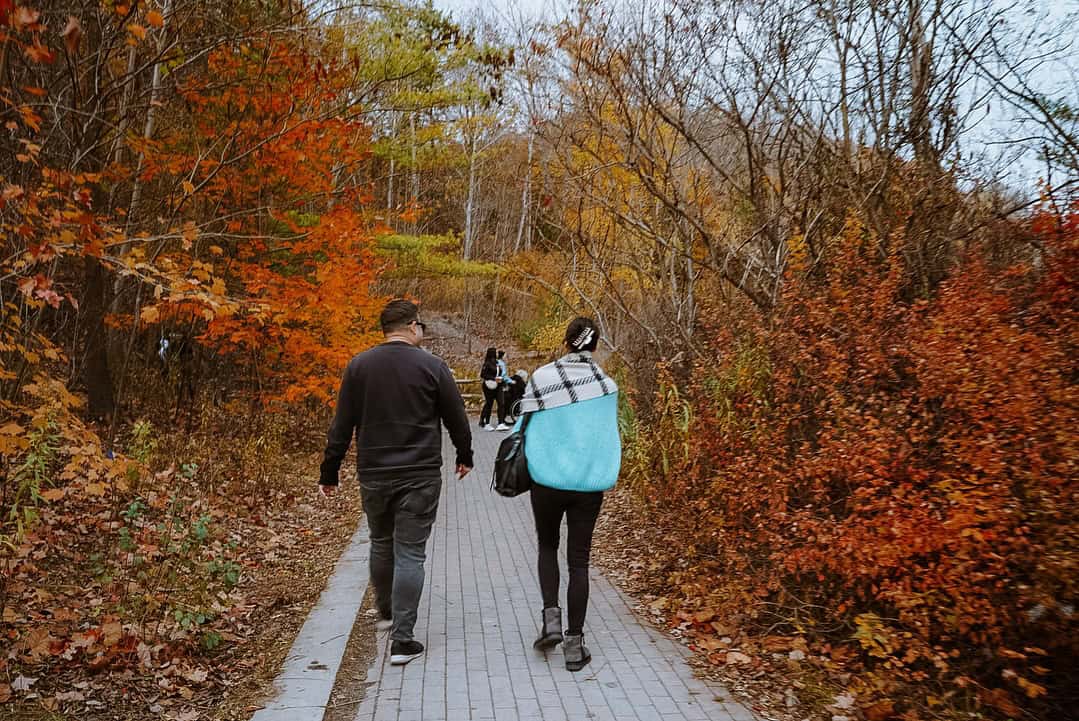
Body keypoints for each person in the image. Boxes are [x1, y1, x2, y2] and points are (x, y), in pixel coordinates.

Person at [319, 299, 473, 666]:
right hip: (419, 475)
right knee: (410, 552)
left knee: (381, 542)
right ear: (413, 326)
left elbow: (342, 424)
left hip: (374, 474)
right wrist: (465, 455)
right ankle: (403, 641)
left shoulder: (359, 367)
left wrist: (330, 471)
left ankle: (386, 612)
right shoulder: (433, 367)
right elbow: (457, 417)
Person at [514, 317, 620, 671]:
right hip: (587, 486)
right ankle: (575, 645)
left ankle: (551, 622)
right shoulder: (607, 386)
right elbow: (606, 436)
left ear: (566, 342)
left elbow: (521, 426)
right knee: (579, 561)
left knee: (547, 546)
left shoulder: (541, 378)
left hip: (546, 482)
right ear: (595, 345)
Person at [478, 347, 503, 431]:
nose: (496, 354)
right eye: (494, 352)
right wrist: (493, 378)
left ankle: (501, 423)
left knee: (501, 402)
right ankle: (486, 422)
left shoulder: (497, 363)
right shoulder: (487, 364)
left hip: (498, 385)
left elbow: (500, 372)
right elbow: (483, 375)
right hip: (488, 386)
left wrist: (501, 379)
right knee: (489, 403)